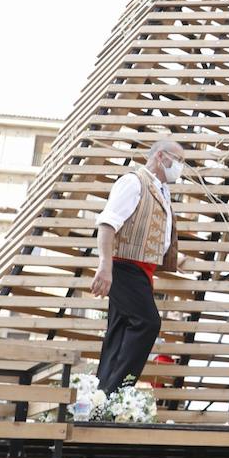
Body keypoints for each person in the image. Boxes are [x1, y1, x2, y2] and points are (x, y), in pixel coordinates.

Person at [91, 139, 184, 393]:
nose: (180, 167)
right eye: (178, 160)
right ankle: (117, 390)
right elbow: (108, 224)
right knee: (147, 322)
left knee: (119, 333)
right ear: (160, 156)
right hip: (124, 267)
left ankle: (102, 396)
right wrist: (105, 264)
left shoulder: (162, 191)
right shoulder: (133, 182)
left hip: (141, 270)